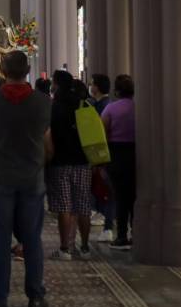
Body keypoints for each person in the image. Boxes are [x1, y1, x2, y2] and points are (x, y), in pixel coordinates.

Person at [0, 51, 53, 307]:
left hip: (0, 176)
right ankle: (36, 296)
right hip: (32, 177)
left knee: (0, 237)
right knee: (32, 237)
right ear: (28, 69)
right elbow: (45, 134)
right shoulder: (43, 102)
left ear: (2, 70)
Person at [46, 70, 93, 260]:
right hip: (82, 160)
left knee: (64, 205)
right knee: (83, 205)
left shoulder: (54, 107)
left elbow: (48, 135)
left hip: (60, 161)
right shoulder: (83, 104)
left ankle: (65, 248)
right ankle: (85, 247)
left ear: (56, 84)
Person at [101, 75, 136, 251]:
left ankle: (121, 235)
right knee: (135, 195)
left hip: (116, 153)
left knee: (121, 196)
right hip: (137, 152)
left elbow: (103, 130)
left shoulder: (111, 108)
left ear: (116, 91)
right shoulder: (139, 108)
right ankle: (137, 233)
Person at [87, 73, 116, 242]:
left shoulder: (105, 106)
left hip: (103, 151)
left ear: (96, 87)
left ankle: (108, 223)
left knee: (107, 187)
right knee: (100, 185)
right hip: (101, 151)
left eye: (91, 83)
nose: (90, 86)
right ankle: (100, 212)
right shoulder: (99, 104)